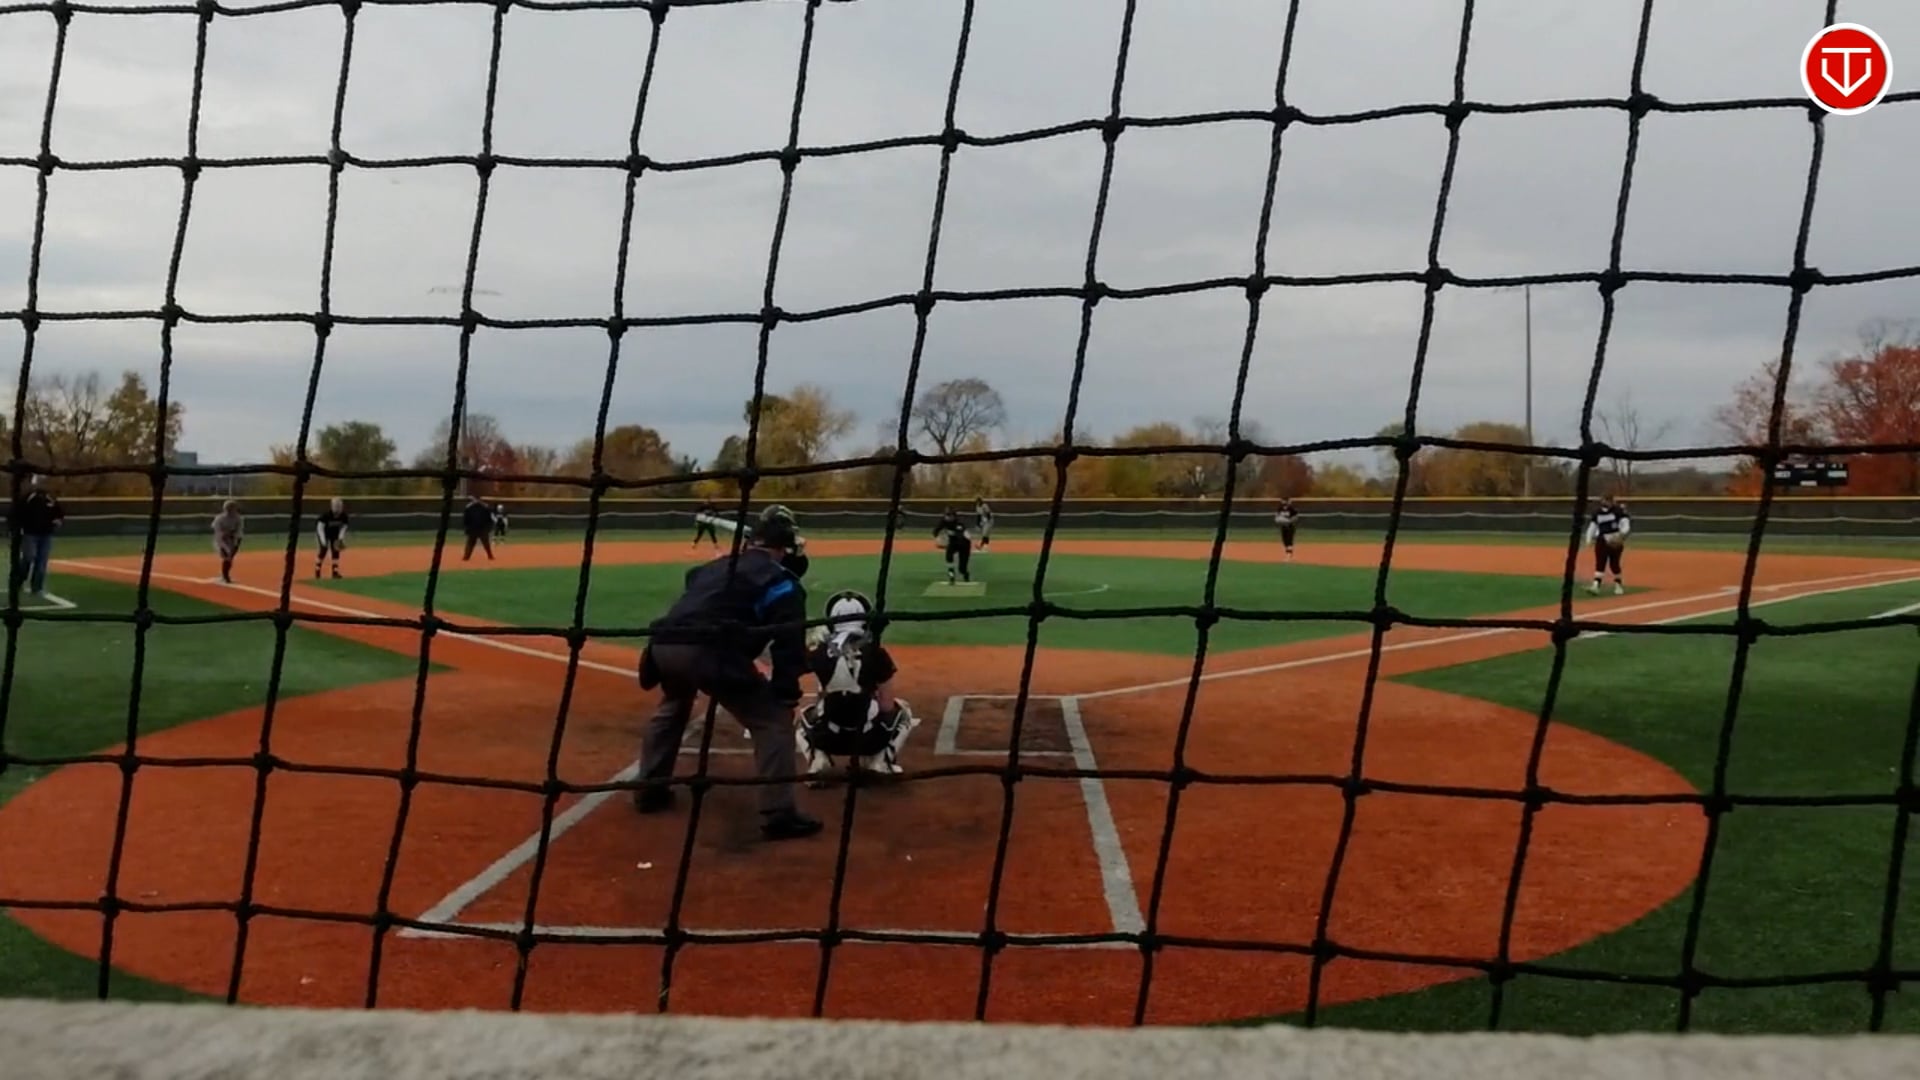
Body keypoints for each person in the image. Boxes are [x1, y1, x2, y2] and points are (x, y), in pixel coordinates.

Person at [635, 506, 821, 841]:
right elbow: (788, 644)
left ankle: (649, 789)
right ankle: (779, 814)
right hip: (707, 650)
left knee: (673, 706)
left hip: (662, 646)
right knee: (772, 721)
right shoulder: (781, 582)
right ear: (784, 549)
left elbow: (694, 584)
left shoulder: (714, 567)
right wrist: (785, 692)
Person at [796, 590, 918, 784]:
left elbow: (798, 670)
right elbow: (886, 705)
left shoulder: (819, 652)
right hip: (868, 740)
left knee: (805, 715)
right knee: (903, 711)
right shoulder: (876, 653)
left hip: (828, 738)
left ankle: (817, 761)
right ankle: (881, 761)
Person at [10, 475, 64, 597]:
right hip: (30, 534)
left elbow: (59, 513)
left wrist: (58, 520)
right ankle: (19, 581)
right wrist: (17, 528)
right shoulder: (28, 498)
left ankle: (37, 587)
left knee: (41, 562)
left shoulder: (50, 498)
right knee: (28, 557)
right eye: (39, 482)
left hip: (46, 534)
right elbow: (17, 513)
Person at [1585, 493, 1631, 595]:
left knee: (1614, 564)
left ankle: (1618, 585)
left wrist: (1621, 535)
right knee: (1600, 563)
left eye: (1608, 500)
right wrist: (1588, 539)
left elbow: (1625, 524)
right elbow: (1592, 527)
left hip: (1615, 539)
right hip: (1602, 539)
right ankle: (1596, 585)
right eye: (1604, 500)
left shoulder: (1618, 511)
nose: (1606, 502)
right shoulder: (1597, 513)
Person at [932, 506, 972, 584]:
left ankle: (965, 574)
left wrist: (944, 544)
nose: (947, 517)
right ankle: (951, 575)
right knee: (948, 555)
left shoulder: (959, 524)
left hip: (964, 545)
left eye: (949, 515)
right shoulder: (944, 521)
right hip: (953, 542)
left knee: (962, 569)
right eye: (946, 515)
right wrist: (938, 538)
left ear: (953, 516)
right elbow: (935, 531)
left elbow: (960, 539)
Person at [314, 497, 349, 579]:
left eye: (339, 506)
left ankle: (335, 572)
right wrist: (323, 541)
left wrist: (340, 538)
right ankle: (317, 571)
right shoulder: (325, 515)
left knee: (336, 551)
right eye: (336, 506)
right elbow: (320, 528)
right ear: (332, 506)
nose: (338, 508)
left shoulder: (344, 516)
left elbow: (344, 527)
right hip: (324, 533)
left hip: (335, 534)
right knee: (323, 550)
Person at [212, 500, 245, 584]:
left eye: (233, 508)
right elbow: (218, 534)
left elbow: (239, 533)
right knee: (226, 556)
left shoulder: (238, 518)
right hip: (221, 540)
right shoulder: (219, 519)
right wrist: (223, 547)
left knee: (230, 558)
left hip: (232, 540)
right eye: (229, 508)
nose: (232, 510)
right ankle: (225, 576)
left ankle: (224, 573)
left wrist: (236, 545)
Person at [461, 495, 495, 562]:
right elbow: (466, 519)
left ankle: (490, 555)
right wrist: (466, 528)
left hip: (481, 528)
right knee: (470, 543)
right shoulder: (470, 508)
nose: (476, 501)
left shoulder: (483, 507)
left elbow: (489, 518)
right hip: (474, 529)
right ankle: (466, 557)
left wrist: (488, 527)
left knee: (485, 543)